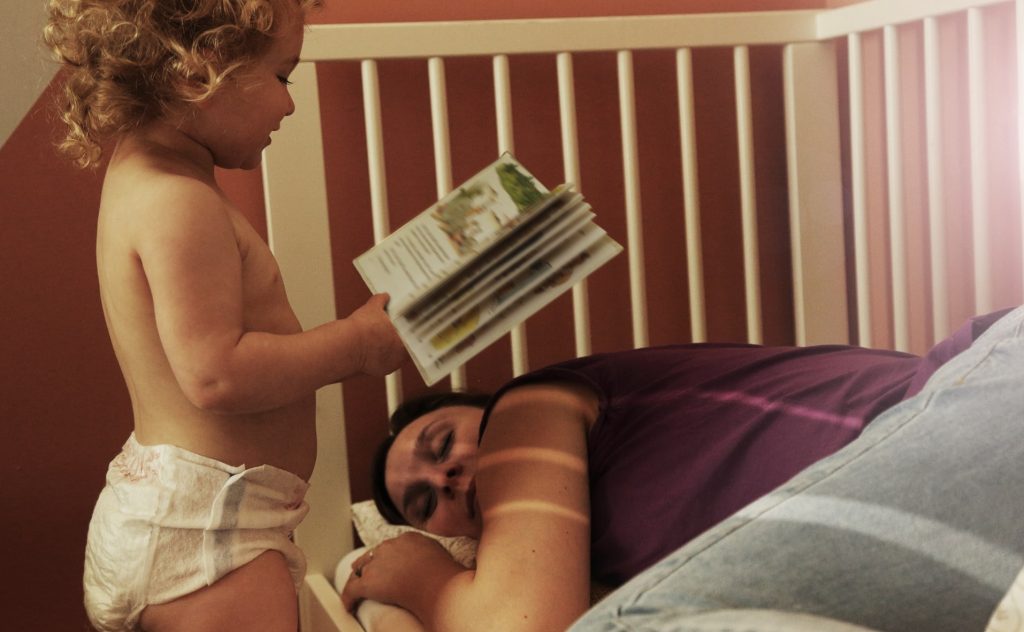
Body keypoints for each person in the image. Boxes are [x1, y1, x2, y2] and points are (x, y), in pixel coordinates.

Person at [43, 1, 406, 631]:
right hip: (208, 535)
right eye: (282, 76)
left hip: (185, 518)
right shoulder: (178, 202)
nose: (289, 104)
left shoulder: (146, 177)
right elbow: (216, 374)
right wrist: (356, 345)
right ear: (197, 73)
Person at [340, 309, 1010, 632]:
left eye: (441, 443)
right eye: (425, 503)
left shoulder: (529, 406)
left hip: (964, 407)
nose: (448, 476)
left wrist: (423, 578)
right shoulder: (596, 559)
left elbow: (523, 626)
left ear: (483, 406)